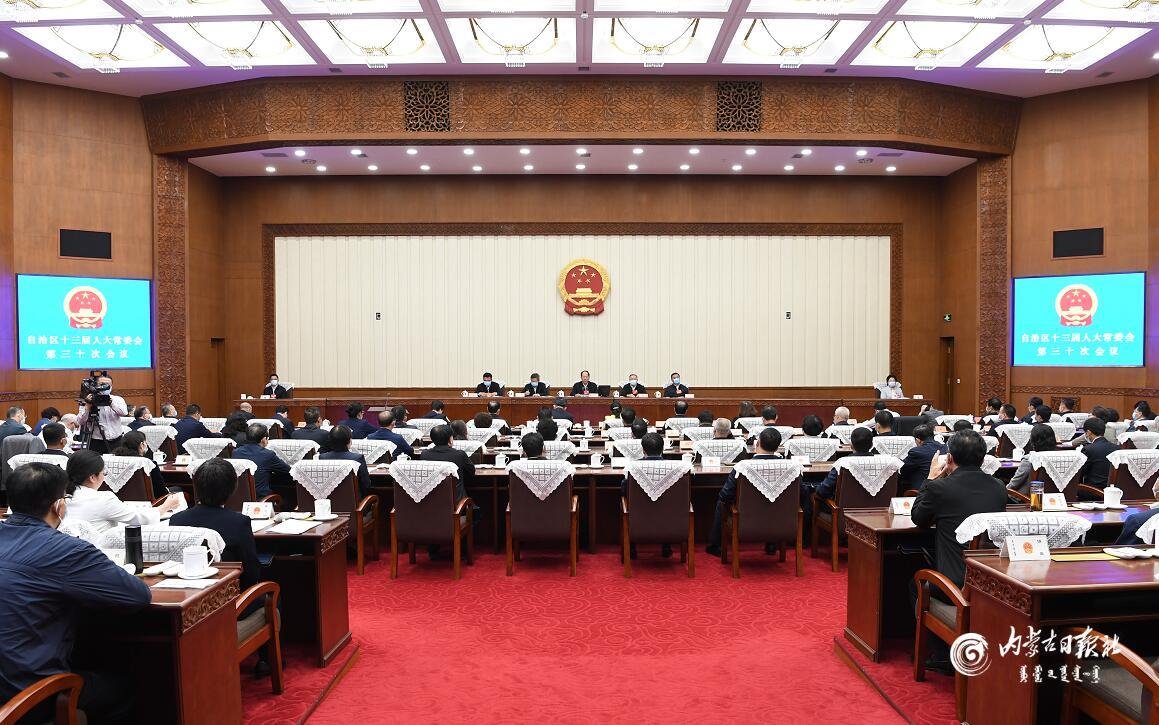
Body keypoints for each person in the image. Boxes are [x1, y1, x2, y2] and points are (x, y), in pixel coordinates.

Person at [0, 462, 151, 723]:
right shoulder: (66, 550)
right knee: (126, 686)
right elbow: (138, 595)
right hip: (27, 695)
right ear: (59, 507)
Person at [909, 430, 1007, 673]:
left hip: (956, 583)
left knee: (916, 583)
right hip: (989, 581)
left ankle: (942, 653)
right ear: (982, 459)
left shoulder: (940, 487)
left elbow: (918, 518)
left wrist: (930, 478)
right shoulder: (998, 487)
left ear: (949, 458)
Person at [168, 457, 271, 677]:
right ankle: (267, 660)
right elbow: (251, 572)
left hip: (188, 600)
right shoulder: (238, 522)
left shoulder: (176, 519)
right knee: (271, 594)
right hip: (228, 602)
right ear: (232, 488)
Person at [707, 427, 783, 556]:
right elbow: (801, 492)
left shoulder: (743, 466)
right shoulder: (791, 468)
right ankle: (772, 543)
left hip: (745, 518)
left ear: (757, 443)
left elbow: (725, 495)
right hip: (778, 519)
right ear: (777, 447)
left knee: (721, 503)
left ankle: (715, 545)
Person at [65, 449, 178, 532]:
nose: (104, 477)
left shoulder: (61, 497)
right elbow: (140, 519)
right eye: (104, 473)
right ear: (92, 477)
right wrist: (166, 506)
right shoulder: (103, 499)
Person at [623, 432, 674, 558]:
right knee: (665, 506)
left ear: (643, 450)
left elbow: (624, 489)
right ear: (662, 449)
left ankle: (631, 548)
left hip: (639, 515)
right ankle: (666, 546)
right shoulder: (675, 468)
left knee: (627, 505)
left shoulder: (633, 467)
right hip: (668, 516)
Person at [807, 427, 874, 521]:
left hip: (843, 517)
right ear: (872, 445)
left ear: (851, 445)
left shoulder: (843, 463)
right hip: (875, 516)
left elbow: (822, 491)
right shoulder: (886, 463)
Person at [233, 423, 291, 498]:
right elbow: (288, 470)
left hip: (240, 497)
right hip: (261, 498)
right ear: (263, 439)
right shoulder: (268, 455)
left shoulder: (236, 452)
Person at [76, 374, 128, 453]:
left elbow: (124, 413)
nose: (105, 387)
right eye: (102, 384)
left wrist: (111, 403)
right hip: (97, 442)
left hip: (117, 441)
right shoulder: (88, 400)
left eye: (108, 385)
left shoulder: (117, 399)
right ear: (95, 386)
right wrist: (88, 406)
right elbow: (81, 421)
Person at [1006, 423, 1060, 496]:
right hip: (1057, 498)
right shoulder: (1062, 457)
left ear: (1033, 441)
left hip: (1026, 499)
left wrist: (1002, 491)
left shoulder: (1029, 459)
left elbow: (1014, 484)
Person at [420, 424, 472, 499]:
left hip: (431, 499)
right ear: (450, 439)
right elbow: (471, 471)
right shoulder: (459, 454)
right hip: (456, 500)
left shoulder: (424, 454)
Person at [113, 430, 169, 498]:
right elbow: (161, 492)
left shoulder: (114, 462)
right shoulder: (149, 464)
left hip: (119, 501)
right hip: (150, 503)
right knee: (177, 489)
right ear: (142, 445)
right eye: (146, 442)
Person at [319, 426, 373, 496]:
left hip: (329, 500)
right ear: (349, 440)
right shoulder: (357, 458)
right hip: (354, 501)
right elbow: (366, 485)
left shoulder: (322, 457)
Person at [898, 425, 947, 491]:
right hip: (943, 487)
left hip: (923, 489)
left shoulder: (916, 452)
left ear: (918, 440)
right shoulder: (945, 447)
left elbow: (903, 470)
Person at [1076, 417, 1117, 490]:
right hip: (1112, 491)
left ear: (1088, 432)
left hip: (1092, 491)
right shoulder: (1117, 448)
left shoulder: (1088, 449)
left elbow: (1080, 473)